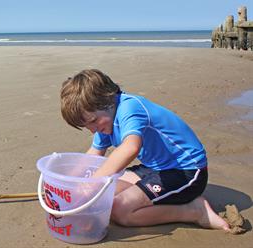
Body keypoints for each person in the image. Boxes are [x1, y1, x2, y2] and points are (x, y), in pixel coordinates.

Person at [60, 69, 229, 230]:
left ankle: (194, 211)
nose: (92, 129)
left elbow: (130, 148)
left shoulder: (129, 108)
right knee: (106, 191)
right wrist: (69, 185)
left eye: (92, 121)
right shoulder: (105, 120)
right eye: (86, 125)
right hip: (155, 168)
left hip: (187, 172)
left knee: (118, 210)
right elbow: (93, 155)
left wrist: (92, 184)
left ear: (107, 100)